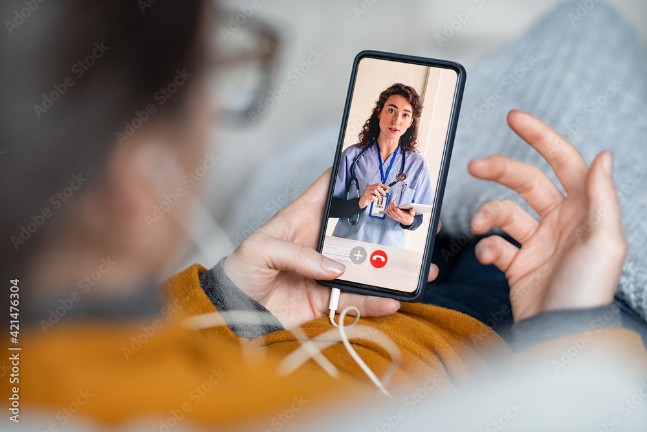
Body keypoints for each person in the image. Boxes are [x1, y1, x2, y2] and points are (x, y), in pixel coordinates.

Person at [1, 0, 645, 429]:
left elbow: (95, 361)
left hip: (333, 294)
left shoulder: (25, 372)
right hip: (509, 336)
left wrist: (225, 303)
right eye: (215, 76)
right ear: (137, 179)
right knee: (586, 37)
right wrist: (577, 333)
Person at [329, 83, 434, 248]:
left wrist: (407, 220)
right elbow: (329, 207)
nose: (396, 121)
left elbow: (418, 219)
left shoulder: (417, 165)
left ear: (411, 121)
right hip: (346, 245)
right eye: (391, 110)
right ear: (379, 112)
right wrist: (360, 202)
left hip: (388, 252)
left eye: (405, 115)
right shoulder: (352, 155)